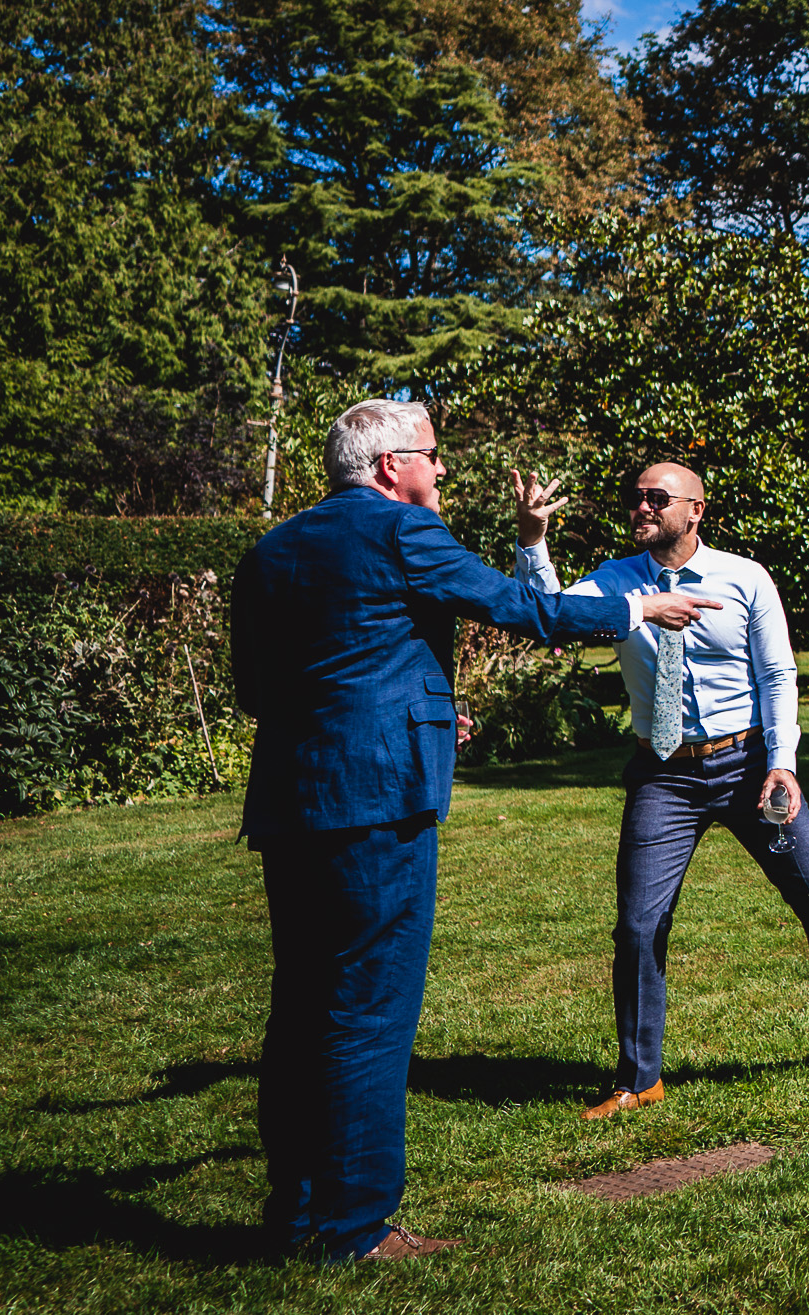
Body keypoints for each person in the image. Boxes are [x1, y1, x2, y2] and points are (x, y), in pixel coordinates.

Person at [232, 401, 712, 1262]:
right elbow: (517, 607)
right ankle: (356, 1229)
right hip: (379, 806)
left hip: (293, 805)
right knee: (372, 1014)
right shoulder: (400, 532)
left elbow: (258, 689)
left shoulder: (272, 549)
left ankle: (295, 1212)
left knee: (302, 1008)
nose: (442, 471)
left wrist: (410, 706)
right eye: (433, 456)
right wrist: (638, 611)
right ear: (389, 467)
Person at [511, 460, 809, 1119]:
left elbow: (778, 674)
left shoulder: (745, 578)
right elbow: (551, 620)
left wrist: (781, 763)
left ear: (694, 510)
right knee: (638, 925)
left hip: (748, 763)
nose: (642, 506)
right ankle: (639, 1077)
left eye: (657, 498)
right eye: (635, 496)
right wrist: (534, 541)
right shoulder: (618, 581)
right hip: (663, 773)